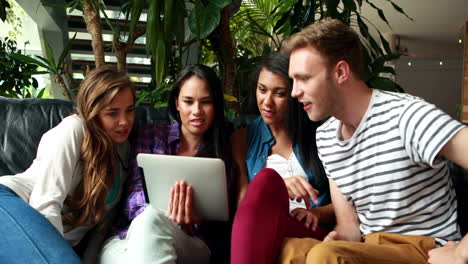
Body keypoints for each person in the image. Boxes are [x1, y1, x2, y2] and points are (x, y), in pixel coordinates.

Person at [278, 18, 468, 263]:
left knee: (323, 256)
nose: (294, 92)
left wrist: (461, 252)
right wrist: (341, 240)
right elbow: (349, 227)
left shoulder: (407, 117)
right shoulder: (325, 137)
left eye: (303, 78)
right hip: (373, 246)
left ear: (340, 72)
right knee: (289, 249)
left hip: (426, 251)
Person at [98, 64, 236, 264]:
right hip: (125, 239)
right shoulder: (152, 136)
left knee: (152, 219)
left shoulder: (226, 148)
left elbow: (221, 219)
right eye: (188, 101)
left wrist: (186, 221)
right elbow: (130, 202)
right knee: (150, 220)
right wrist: (168, 211)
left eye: (206, 102)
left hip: (191, 243)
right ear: (177, 103)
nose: (197, 111)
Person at [0, 66, 136, 263]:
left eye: (130, 110)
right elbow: (45, 204)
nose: (124, 121)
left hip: (52, 243)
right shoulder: (74, 130)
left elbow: (101, 228)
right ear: (93, 111)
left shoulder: (124, 150)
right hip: (13, 204)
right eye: (113, 113)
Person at [230, 52, 334, 264]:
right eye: (262, 90)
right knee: (267, 180)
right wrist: (279, 188)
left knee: (266, 179)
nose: (267, 102)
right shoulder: (241, 139)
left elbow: (346, 204)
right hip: (261, 228)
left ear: (294, 94)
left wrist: (317, 213)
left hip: (309, 229)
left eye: (279, 93)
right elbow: (244, 207)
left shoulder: (322, 134)